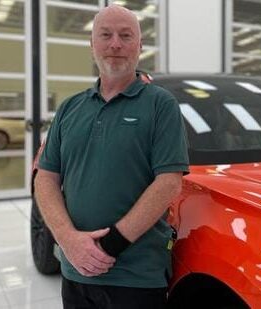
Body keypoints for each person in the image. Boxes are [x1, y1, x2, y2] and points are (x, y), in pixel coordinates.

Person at [34, 4, 189, 309]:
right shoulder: (69, 108)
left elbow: (169, 183)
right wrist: (68, 241)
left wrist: (107, 247)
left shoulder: (161, 105)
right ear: (92, 45)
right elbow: (45, 177)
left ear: (139, 46)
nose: (115, 44)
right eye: (105, 35)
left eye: (125, 35)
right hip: (75, 272)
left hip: (135, 278)